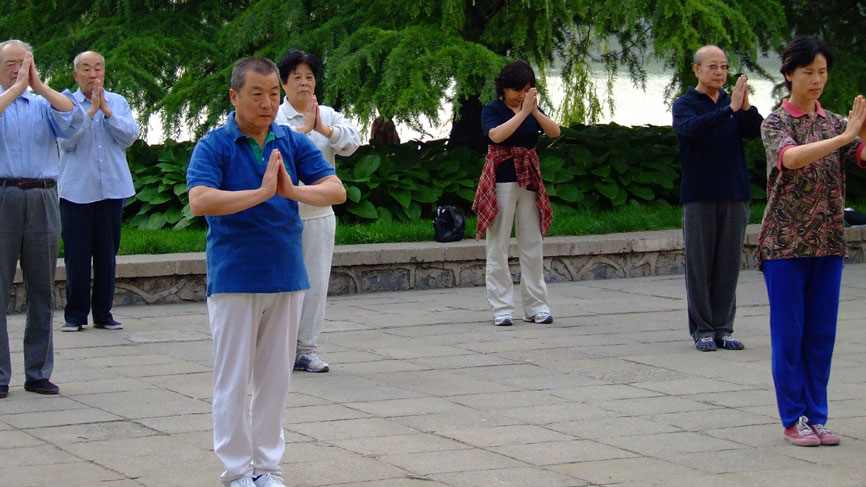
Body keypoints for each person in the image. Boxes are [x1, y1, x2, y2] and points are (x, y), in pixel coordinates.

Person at [186, 57, 345, 487]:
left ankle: (267, 468)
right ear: (234, 96)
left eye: (274, 94)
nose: (268, 103)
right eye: (257, 94)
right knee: (233, 379)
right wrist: (259, 194)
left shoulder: (290, 141)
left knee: (275, 380)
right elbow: (200, 200)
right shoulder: (216, 144)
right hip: (235, 276)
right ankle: (237, 471)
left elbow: (336, 190)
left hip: (285, 273)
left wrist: (292, 190)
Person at [758, 36, 865, 447]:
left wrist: (860, 134)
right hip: (785, 244)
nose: (817, 80)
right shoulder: (776, 123)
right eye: (808, 73)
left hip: (828, 242)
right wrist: (844, 137)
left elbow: (861, 155)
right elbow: (790, 159)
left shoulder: (836, 122)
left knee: (821, 337)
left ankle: (817, 417)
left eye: (822, 72)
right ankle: (793, 418)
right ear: (789, 75)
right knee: (790, 335)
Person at [0, 40, 84, 399]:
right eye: (9, 63)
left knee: (41, 289)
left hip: (43, 195)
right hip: (4, 194)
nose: (16, 68)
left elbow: (74, 119)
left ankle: (37, 372)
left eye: (23, 62)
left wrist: (36, 85)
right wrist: (15, 89)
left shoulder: (42, 103)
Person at [672, 45, 763, 351]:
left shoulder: (732, 102)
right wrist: (729, 110)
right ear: (696, 70)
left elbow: (756, 131)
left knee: (728, 264)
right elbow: (692, 130)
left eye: (724, 66)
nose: (720, 72)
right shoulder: (685, 104)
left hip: (735, 192)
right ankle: (703, 329)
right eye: (713, 66)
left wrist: (745, 108)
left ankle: (724, 328)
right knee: (699, 265)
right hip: (699, 194)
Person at [275, 49, 360, 373]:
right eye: (296, 77)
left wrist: (323, 129)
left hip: (320, 214)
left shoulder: (327, 114)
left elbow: (352, 142)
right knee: (282, 285)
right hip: (282, 215)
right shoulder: (275, 116)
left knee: (315, 283)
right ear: (283, 83)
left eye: (309, 77)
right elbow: (270, 144)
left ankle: (306, 349)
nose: (304, 83)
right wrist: (302, 130)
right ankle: (278, 350)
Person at [473, 60, 560, 327]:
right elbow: (496, 136)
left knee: (532, 243)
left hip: (528, 180)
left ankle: (537, 306)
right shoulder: (493, 109)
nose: (522, 95)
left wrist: (533, 111)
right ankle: (501, 308)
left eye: (526, 89)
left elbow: (554, 131)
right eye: (517, 90)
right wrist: (522, 113)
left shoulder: (531, 109)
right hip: (501, 180)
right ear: (504, 88)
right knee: (498, 244)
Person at [58, 51, 139, 333]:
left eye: (98, 69)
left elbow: (129, 137)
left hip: (112, 190)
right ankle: (75, 315)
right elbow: (65, 141)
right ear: (76, 75)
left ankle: (104, 314)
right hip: (76, 192)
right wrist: (90, 112)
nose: (93, 74)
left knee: (107, 255)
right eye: (86, 69)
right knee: (76, 256)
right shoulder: (65, 103)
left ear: (104, 72)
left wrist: (107, 111)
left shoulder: (118, 101)